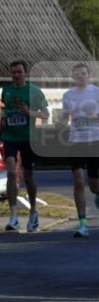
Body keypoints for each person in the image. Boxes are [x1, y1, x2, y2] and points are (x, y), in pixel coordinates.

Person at [0, 60, 49, 233]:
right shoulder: (7, 91)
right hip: (10, 137)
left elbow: (46, 114)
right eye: (13, 72)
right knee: (11, 173)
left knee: (28, 177)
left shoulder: (34, 91)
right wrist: (2, 123)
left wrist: (30, 113)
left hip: (28, 138)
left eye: (19, 72)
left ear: (25, 73)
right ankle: (13, 216)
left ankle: (33, 212)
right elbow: (5, 111)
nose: (16, 75)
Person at [60, 63, 99, 238]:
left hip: (94, 141)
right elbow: (64, 117)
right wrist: (60, 123)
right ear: (74, 77)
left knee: (94, 186)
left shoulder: (96, 92)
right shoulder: (68, 95)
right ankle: (83, 224)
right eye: (77, 74)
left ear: (89, 75)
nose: (81, 76)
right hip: (76, 142)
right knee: (78, 180)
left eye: (84, 73)